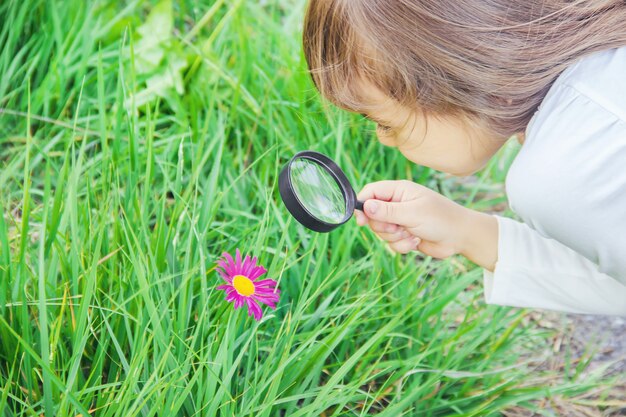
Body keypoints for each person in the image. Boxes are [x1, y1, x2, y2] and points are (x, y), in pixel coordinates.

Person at [302, 0, 626, 315]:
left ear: (476, 78)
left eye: (386, 122)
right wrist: (465, 231)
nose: (384, 139)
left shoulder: (564, 173)